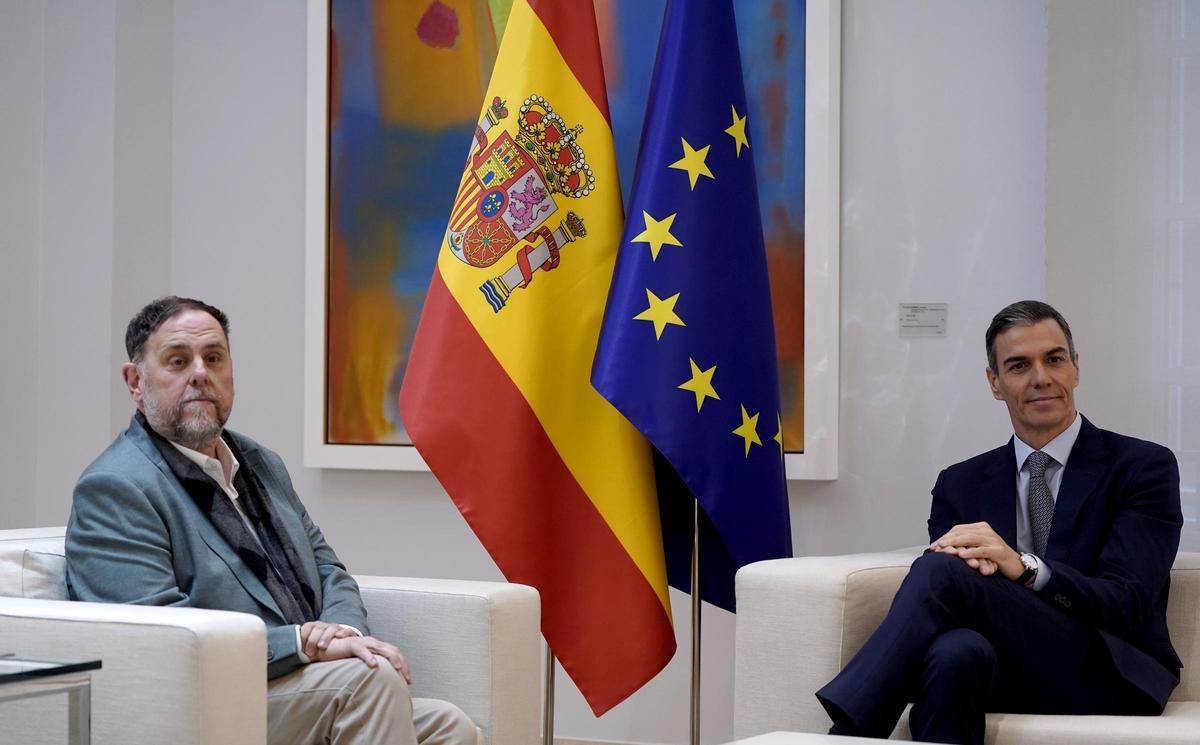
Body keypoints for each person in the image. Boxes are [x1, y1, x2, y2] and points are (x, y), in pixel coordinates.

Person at [66, 296, 476, 745]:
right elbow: (160, 639)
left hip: (292, 686)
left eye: (214, 358)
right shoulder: (116, 486)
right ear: (135, 382)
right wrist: (303, 643)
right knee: (370, 683)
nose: (200, 373)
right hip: (205, 704)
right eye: (178, 360)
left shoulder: (261, 463)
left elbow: (328, 570)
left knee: (450, 726)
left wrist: (344, 633)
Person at [815, 300, 1183, 745]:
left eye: (1054, 359)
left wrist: (1026, 568)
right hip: (1004, 664)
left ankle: (848, 733)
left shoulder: (1142, 466)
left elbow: (1128, 602)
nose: (1041, 378)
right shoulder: (960, 484)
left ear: (1076, 368)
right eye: (1018, 365)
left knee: (939, 571)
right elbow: (958, 610)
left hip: (1107, 668)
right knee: (955, 653)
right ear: (994, 382)